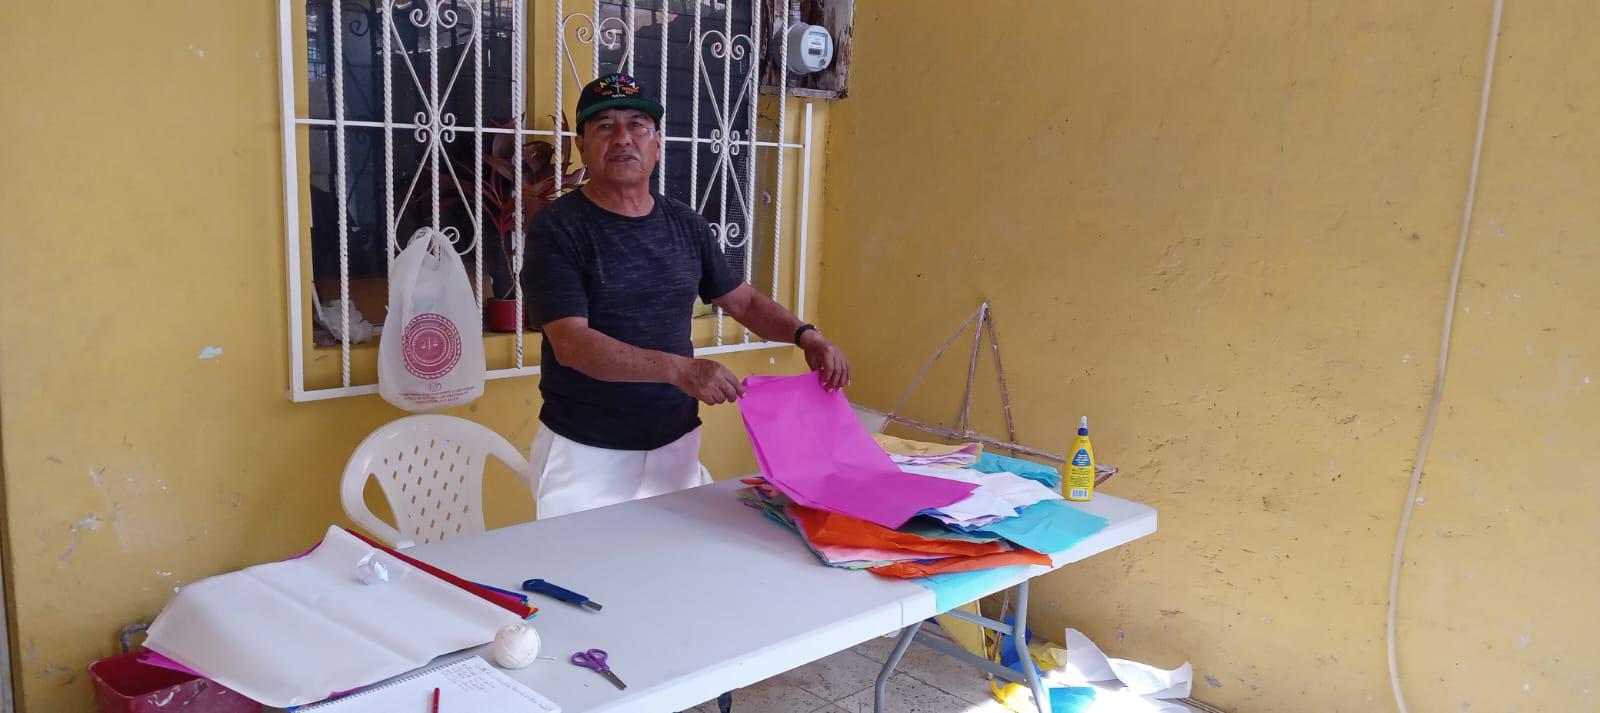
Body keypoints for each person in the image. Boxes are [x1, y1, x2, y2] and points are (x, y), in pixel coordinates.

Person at [523, 72, 850, 520]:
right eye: (604, 126)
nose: (623, 138)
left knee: (675, 576)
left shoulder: (685, 224)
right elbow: (572, 345)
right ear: (581, 145)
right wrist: (680, 370)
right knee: (575, 580)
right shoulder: (557, 228)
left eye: (637, 124)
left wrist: (806, 336)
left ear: (657, 140)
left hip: (674, 446)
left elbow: (745, 302)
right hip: (586, 451)